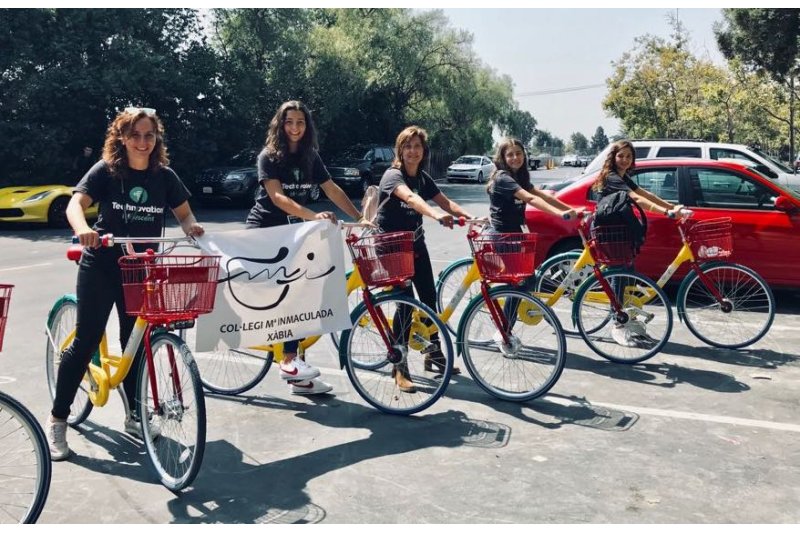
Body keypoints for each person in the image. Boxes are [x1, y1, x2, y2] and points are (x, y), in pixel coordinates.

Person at [46, 107, 205, 461]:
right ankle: (58, 418)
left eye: (149, 135)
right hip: (102, 264)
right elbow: (75, 205)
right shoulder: (106, 171)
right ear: (122, 137)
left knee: (136, 341)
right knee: (86, 340)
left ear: (156, 139)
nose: (143, 142)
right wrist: (83, 229)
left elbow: (184, 213)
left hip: (141, 269)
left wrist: (191, 227)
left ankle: (135, 414)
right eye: (135, 135)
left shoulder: (164, 176)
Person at [246, 100, 367, 395]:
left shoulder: (310, 156)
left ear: (307, 126)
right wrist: (313, 216)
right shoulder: (268, 156)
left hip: (293, 232)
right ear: (280, 125)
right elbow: (277, 198)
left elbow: (331, 189)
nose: (295, 127)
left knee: (310, 287)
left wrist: (359, 217)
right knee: (294, 289)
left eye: (300, 122)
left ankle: (299, 377)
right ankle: (289, 361)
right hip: (265, 231)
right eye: (289, 122)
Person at [374, 126, 476, 392]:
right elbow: (411, 198)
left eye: (417, 146)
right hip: (392, 247)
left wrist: (471, 217)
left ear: (424, 150)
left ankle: (433, 354)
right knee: (406, 304)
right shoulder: (393, 176)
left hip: (415, 244)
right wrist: (435, 215)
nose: (413, 151)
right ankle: (399, 366)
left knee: (429, 299)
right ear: (400, 150)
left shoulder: (422, 177)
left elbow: (445, 202)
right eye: (407, 146)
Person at [591, 140, 683, 347]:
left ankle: (627, 318)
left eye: (628, 156)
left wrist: (672, 207)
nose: (624, 160)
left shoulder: (623, 176)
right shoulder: (612, 177)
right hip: (608, 231)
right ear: (613, 157)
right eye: (620, 156)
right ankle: (618, 324)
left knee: (628, 273)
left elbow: (645, 194)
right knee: (620, 274)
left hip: (620, 230)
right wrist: (665, 212)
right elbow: (636, 199)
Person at [486, 137, 581, 318]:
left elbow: (544, 196)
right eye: (510, 155)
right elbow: (530, 198)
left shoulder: (518, 177)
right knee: (521, 282)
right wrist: (559, 214)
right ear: (503, 158)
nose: (515, 158)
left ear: (524, 155)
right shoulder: (503, 178)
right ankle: (504, 327)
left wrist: (570, 210)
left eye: (519, 153)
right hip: (502, 236)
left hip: (514, 234)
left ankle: (508, 314)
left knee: (528, 280)